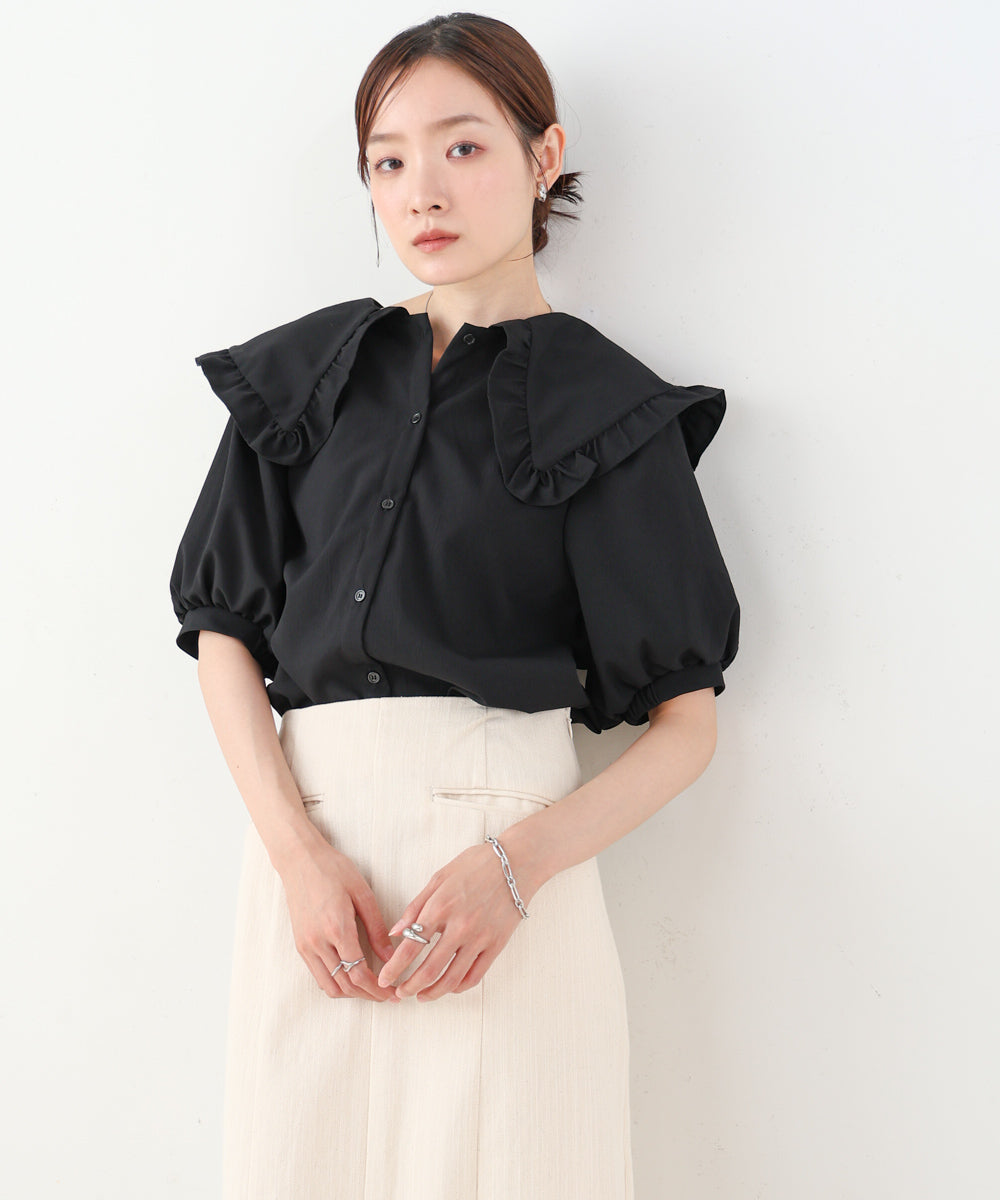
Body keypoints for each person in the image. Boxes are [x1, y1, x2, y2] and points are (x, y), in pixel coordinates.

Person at [169, 12, 739, 1200]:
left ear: (542, 157)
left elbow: (686, 726)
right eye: (387, 160)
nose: (420, 189)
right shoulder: (305, 381)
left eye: (462, 147)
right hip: (312, 870)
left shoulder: (605, 410)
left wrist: (514, 869)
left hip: (504, 878)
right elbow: (223, 635)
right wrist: (296, 855)